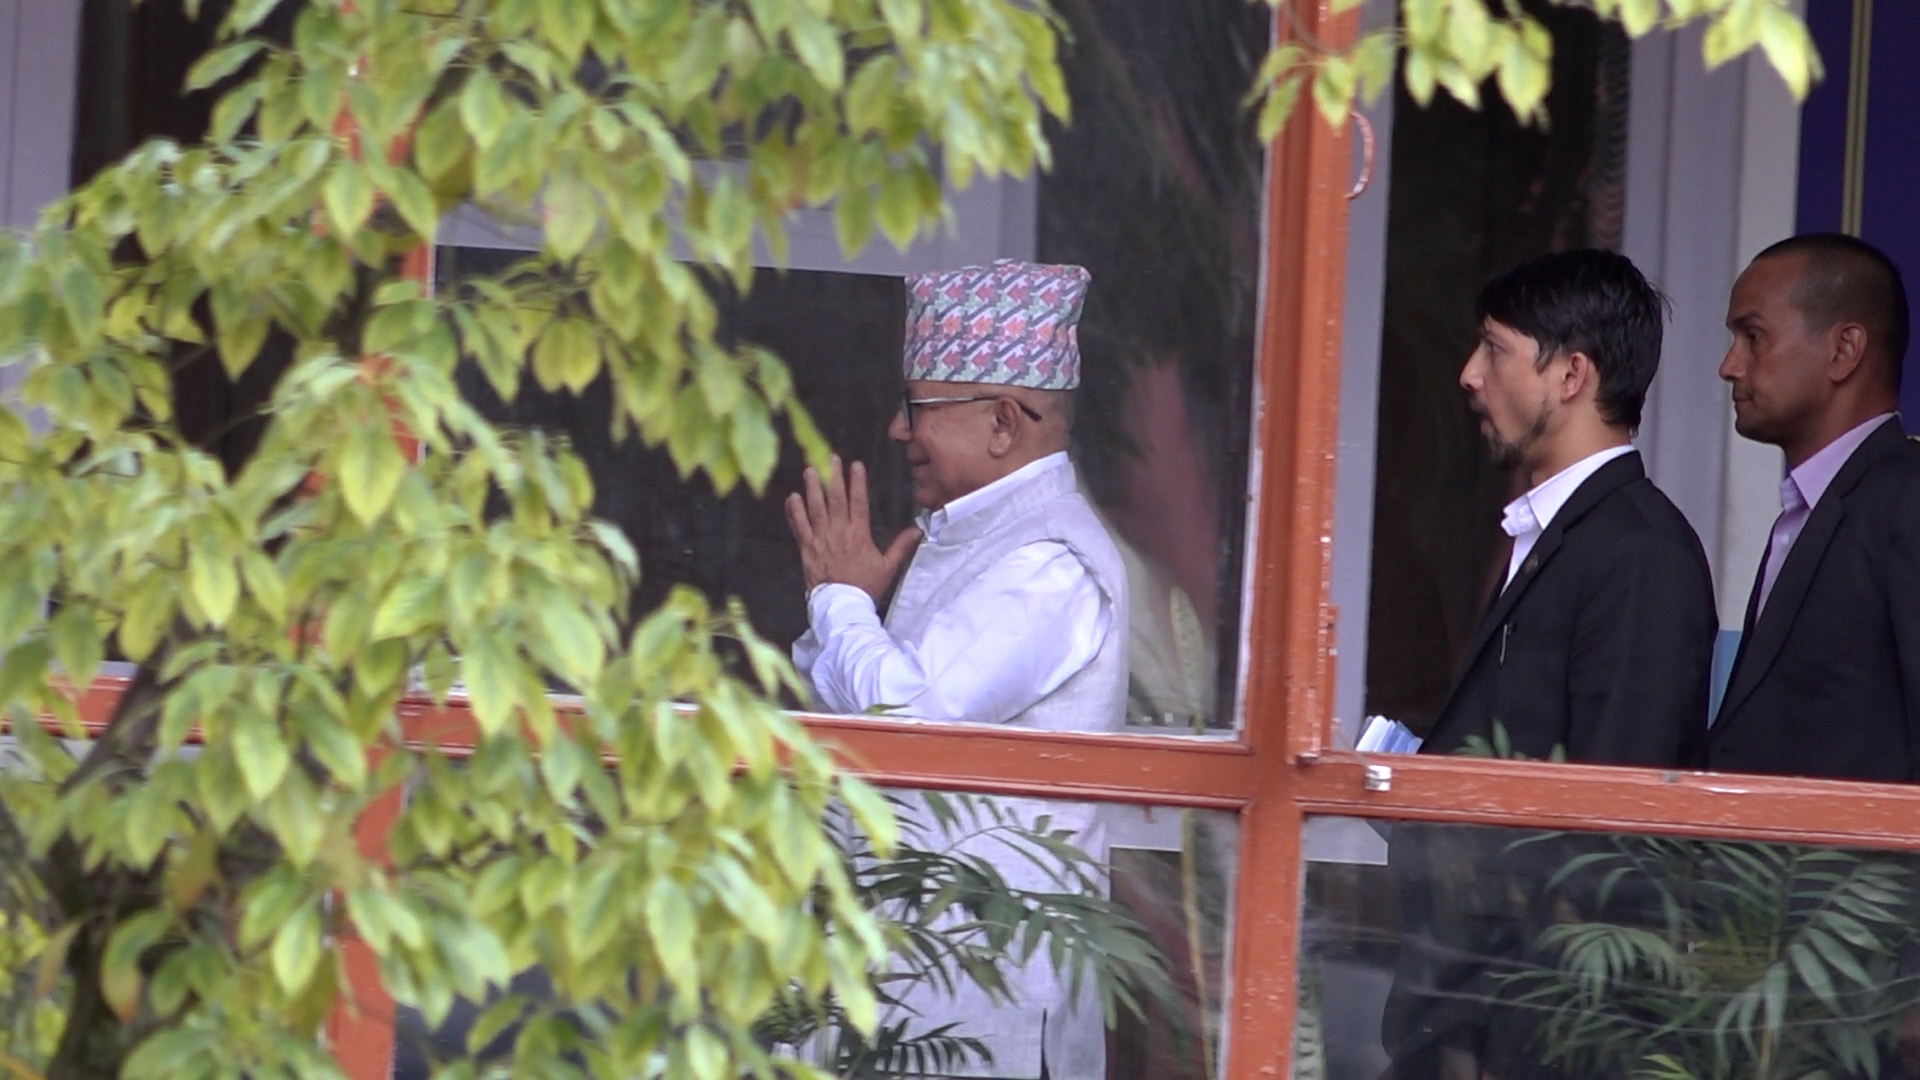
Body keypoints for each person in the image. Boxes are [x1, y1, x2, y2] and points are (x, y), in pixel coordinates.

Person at [786, 258, 1128, 1080]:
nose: (898, 431)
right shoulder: (976, 535)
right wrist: (845, 611)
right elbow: (860, 723)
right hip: (915, 999)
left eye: (918, 408)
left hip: (978, 1016)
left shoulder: (1050, 562)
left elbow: (909, 725)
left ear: (1003, 422)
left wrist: (841, 603)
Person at [1383, 249, 1718, 1080]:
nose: (1469, 374)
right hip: (1471, 1019)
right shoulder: (1554, 536)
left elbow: (1614, 833)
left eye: (1495, 349)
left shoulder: (1638, 553)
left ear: (1571, 375)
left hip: (1534, 1038)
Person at [1703, 233, 1920, 780]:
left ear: (1844, 351)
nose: (1729, 365)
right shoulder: (1810, 508)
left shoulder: (1905, 501)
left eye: (1753, 337)